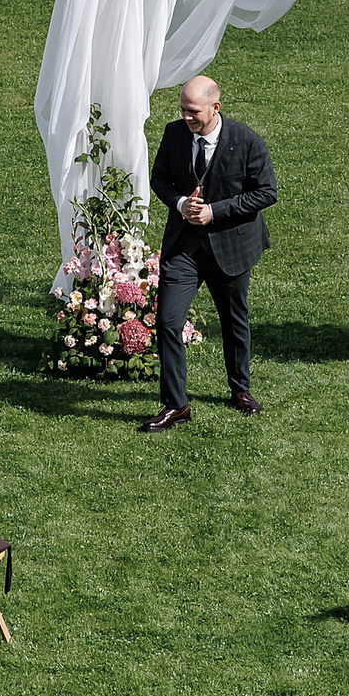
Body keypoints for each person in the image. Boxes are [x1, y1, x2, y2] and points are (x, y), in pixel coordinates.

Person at [141, 73, 276, 434]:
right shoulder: (173, 134)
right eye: (183, 110)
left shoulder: (247, 141)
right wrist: (182, 203)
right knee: (168, 321)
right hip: (184, 248)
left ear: (215, 108)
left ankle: (240, 389)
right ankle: (175, 405)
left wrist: (215, 211)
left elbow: (266, 193)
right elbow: (159, 179)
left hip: (230, 247)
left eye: (193, 112)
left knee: (234, 321)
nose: (186, 118)